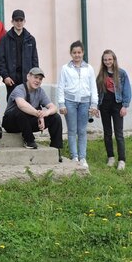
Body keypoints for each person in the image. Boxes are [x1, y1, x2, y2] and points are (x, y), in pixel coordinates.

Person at [2, 67, 63, 155]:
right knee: (20, 110)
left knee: (55, 117)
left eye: (40, 79)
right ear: (28, 77)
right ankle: (29, 141)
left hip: (27, 123)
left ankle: (56, 149)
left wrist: (45, 113)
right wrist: (39, 115)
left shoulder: (40, 91)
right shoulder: (19, 89)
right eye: (35, 77)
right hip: (11, 123)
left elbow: (53, 107)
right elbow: (22, 105)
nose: (38, 81)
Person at [57, 40, 98, 168]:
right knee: (72, 130)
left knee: (82, 131)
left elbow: (93, 87)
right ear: (71, 53)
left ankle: (82, 157)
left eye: (79, 52)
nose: (77, 55)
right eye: (74, 52)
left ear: (83, 53)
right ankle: (74, 156)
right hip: (69, 102)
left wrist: (94, 104)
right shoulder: (65, 68)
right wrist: (61, 104)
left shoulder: (89, 68)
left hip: (85, 103)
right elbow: (61, 86)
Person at [96, 49, 131, 171]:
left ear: (114, 59)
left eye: (110, 59)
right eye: (105, 60)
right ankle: (110, 157)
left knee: (119, 133)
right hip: (104, 106)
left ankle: (122, 160)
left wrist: (124, 106)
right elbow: (97, 92)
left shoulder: (121, 73)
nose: (107, 62)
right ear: (103, 61)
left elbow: (127, 90)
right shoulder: (101, 75)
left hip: (117, 106)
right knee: (107, 133)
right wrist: (96, 106)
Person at [0, 9, 39, 100]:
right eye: (16, 20)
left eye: (21, 20)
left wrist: (35, 77)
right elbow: (1, 60)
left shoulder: (31, 39)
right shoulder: (5, 39)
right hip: (11, 79)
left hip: (27, 78)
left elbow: (34, 60)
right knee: (12, 102)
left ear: (24, 21)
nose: (19, 23)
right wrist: (5, 76)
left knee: (27, 101)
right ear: (12, 21)